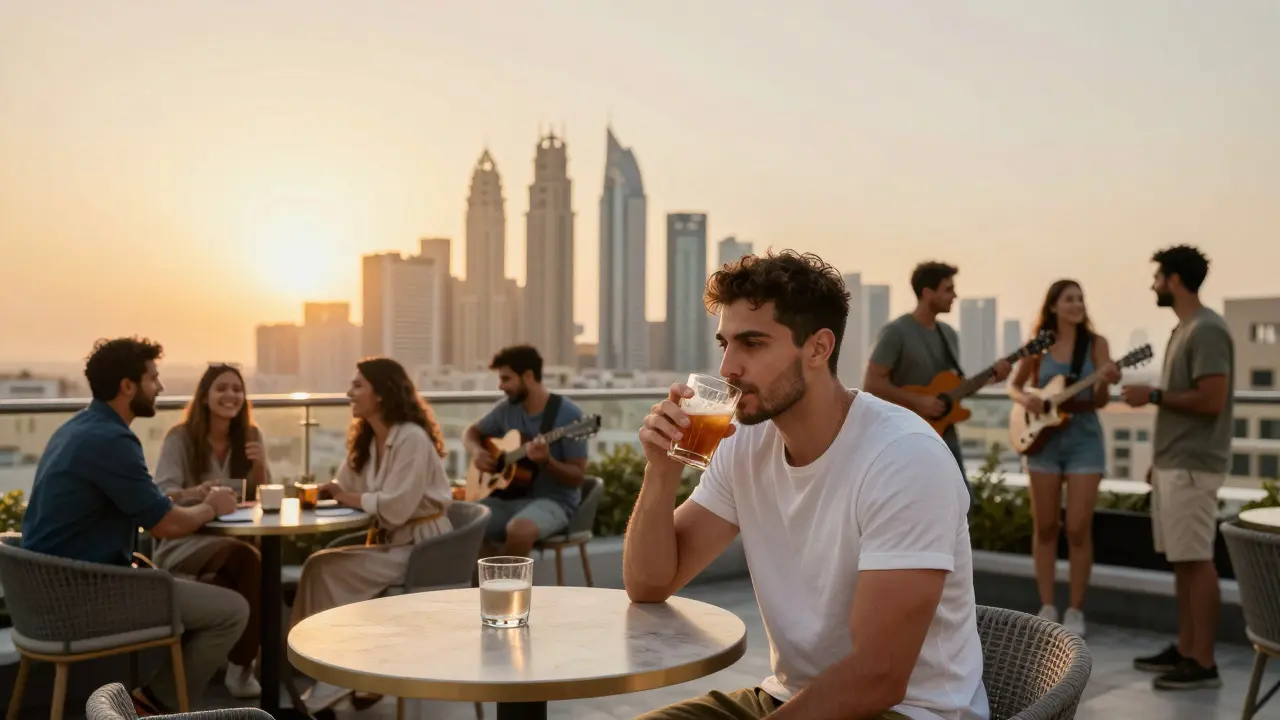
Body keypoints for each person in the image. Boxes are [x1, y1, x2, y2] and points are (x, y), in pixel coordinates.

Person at [626, 251, 989, 720]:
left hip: (909, 711)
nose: (729, 369)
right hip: (788, 699)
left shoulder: (904, 458)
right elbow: (650, 584)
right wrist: (662, 469)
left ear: (818, 349)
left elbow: (878, 676)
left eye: (752, 344)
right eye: (725, 345)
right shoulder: (743, 443)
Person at [20, 338, 248, 716]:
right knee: (232, 610)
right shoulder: (112, 440)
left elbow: (153, 507)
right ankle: (153, 705)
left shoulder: (77, 427)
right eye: (153, 379)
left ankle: (158, 700)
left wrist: (189, 499)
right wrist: (210, 506)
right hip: (83, 597)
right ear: (128, 386)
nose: (159, 387)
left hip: (44, 596)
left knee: (202, 590)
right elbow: (166, 525)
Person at [291, 357, 454, 712]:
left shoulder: (411, 439)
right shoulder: (368, 440)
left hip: (423, 550)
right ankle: (318, 664)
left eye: (358, 385)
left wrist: (343, 494)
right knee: (319, 566)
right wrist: (324, 491)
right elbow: (344, 487)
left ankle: (332, 674)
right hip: (393, 546)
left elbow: (396, 508)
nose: (349, 392)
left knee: (325, 569)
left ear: (380, 394)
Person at [1122, 245, 1233, 691]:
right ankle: (1187, 649)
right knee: (1182, 561)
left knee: (1196, 560)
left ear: (1175, 280)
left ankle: (1202, 661)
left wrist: (1150, 396)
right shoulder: (1185, 329)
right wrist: (1158, 461)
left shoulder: (1206, 330)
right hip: (1175, 463)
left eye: (1157, 277)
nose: (1153, 285)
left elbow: (1211, 400)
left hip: (1194, 465)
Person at [1007, 280, 1121, 638]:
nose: (1077, 304)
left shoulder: (1097, 345)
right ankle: (1046, 605)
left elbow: (1101, 400)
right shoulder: (1039, 345)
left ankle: (1075, 609)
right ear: (1053, 306)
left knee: (1077, 527)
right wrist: (1026, 401)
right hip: (1044, 442)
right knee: (1045, 527)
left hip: (1084, 438)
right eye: (1069, 299)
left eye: (1080, 298)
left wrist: (1105, 381)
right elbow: (1014, 385)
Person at [152, 363, 268, 698]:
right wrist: (197, 494)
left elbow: (264, 498)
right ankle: (242, 667)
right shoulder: (181, 438)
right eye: (221, 388)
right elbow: (163, 495)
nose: (230, 395)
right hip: (185, 541)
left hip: (234, 543)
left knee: (241, 567)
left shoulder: (251, 436)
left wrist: (259, 465)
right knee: (248, 561)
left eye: (237, 388)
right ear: (204, 397)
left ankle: (223, 665)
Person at [863, 261, 1011, 477]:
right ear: (927, 293)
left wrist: (991, 379)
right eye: (948, 290)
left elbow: (954, 388)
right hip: (903, 433)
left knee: (961, 500)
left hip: (944, 433)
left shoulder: (949, 334)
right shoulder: (896, 332)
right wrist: (918, 401)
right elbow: (872, 384)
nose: (955, 296)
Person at [464, 345, 588, 556]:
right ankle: (484, 584)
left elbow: (577, 477)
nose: (501, 386)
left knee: (518, 530)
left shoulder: (568, 415)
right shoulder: (506, 409)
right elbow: (472, 432)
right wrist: (477, 452)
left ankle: (510, 587)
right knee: (467, 520)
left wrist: (547, 460)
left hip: (554, 501)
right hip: (510, 498)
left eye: (506, 379)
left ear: (528, 376)